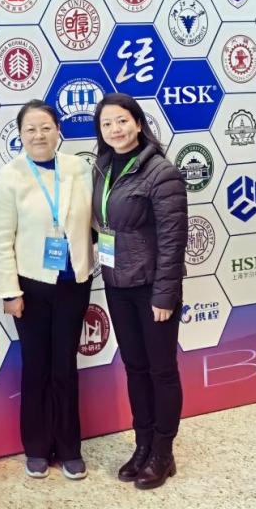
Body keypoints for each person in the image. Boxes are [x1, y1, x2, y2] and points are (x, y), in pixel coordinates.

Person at [0, 100, 95, 481]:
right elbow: (1, 239)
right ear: (20, 134)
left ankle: (69, 448)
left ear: (58, 130)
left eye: (46, 127)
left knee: (65, 367)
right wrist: (9, 292)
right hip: (30, 287)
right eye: (31, 129)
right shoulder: (11, 176)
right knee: (36, 368)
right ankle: (36, 448)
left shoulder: (78, 168)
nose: (39, 135)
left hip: (73, 284)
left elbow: (94, 222)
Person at [91, 92, 187, 490]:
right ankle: (143, 444)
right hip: (118, 285)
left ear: (138, 123)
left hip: (152, 288)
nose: (115, 129)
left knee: (161, 370)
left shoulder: (161, 172)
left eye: (122, 121)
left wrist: (165, 295)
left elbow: (173, 240)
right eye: (107, 123)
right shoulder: (100, 167)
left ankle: (163, 452)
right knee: (135, 368)